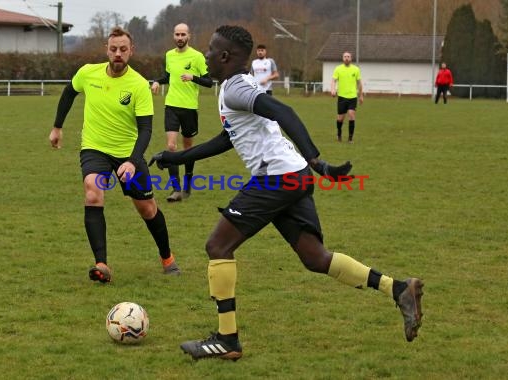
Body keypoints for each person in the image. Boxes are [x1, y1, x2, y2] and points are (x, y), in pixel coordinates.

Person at [148, 25, 424, 361]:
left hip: (277, 178)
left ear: (224, 56)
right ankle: (398, 289)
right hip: (294, 176)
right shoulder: (235, 87)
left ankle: (226, 339)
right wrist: (176, 157)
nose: (204, 54)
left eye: (210, 49)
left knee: (217, 246)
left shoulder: (236, 88)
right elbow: (227, 139)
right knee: (315, 257)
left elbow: (284, 112)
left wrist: (318, 161)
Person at [48, 27, 180, 282]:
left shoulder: (139, 85)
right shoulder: (88, 73)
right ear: (106, 50)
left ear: (131, 51)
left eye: (123, 49)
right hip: (95, 148)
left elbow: (145, 129)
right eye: (113, 49)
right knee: (92, 190)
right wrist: (57, 127)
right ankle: (102, 265)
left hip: (129, 153)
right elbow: (68, 92)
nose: (117, 53)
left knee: (147, 209)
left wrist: (132, 160)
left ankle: (167, 257)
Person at [150, 23, 213, 202]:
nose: (179, 37)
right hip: (171, 105)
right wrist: (156, 82)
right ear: (173, 36)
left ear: (189, 36)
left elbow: (209, 81)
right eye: (177, 34)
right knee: (171, 146)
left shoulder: (197, 57)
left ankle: (187, 184)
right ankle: (176, 189)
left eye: (182, 34)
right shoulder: (169, 55)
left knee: (188, 149)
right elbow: (168, 77)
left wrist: (193, 77)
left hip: (190, 108)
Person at [330, 51, 363, 143]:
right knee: (340, 118)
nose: (347, 58)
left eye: (348, 56)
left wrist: (361, 95)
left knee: (352, 116)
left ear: (351, 58)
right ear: (342, 58)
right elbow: (333, 80)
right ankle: (339, 133)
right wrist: (333, 89)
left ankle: (350, 138)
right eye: (345, 56)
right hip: (342, 97)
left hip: (352, 97)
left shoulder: (356, 69)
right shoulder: (338, 69)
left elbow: (359, 83)